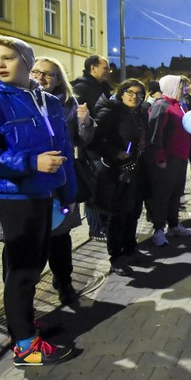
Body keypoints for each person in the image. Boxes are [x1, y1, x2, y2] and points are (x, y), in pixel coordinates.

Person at [0, 32, 76, 366]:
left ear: (26, 61)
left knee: (31, 266)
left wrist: (67, 193)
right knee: (22, 270)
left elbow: (64, 150)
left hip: (46, 194)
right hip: (15, 197)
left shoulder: (48, 102)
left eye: (6, 58)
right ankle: (25, 346)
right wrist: (31, 163)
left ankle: (23, 325)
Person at [30, 56, 95, 305]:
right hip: (30, 181)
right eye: (36, 72)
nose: (41, 77)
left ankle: (64, 282)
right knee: (29, 242)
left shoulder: (68, 104)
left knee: (60, 237)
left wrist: (84, 120)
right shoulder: (21, 100)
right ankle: (22, 297)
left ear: (58, 80)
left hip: (60, 180)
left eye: (48, 74)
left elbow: (83, 139)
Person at [91, 79, 150, 275]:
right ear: (121, 92)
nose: (135, 97)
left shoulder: (139, 112)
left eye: (139, 94)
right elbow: (93, 140)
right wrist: (114, 152)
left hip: (136, 169)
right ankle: (116, 257)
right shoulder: (110, 112)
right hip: (115, 172)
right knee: (117, 216)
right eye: (130, 92)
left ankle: (130, 249)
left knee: (133, 211)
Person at [146, 74, 191, 247]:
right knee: (162, 195)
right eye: (182, 87)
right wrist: (160, 158)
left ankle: (173, 225)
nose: (185, 90)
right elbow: (155, 135)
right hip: (167, 159)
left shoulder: (180, 106)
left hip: (181, 158)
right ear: (172, 87)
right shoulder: (162, 106)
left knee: (176, 193)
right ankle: (158, 229)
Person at [71, 55, 112, 241]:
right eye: (106, 68)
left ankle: (104, 224)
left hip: (104, 147)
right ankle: (96, 228)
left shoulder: (102, 87)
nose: (109, 71)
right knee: (93, 188)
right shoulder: (81, 88)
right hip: (91, 149)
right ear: (93, 68)